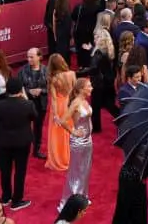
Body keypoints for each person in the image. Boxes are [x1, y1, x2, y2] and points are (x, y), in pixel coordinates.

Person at [0, 78, 37, 211]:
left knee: (5, 171)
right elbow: (35, 117)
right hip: (22, 143)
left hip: (4, 142)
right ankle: (17, 200)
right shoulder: (28, 104)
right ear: (20, 90)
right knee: (20, 171)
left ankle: (6, 197)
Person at [58, 79, 94, 211]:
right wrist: (73, 131)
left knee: (85, 170)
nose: (92, 88)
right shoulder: (75, 103)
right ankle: (72, 202)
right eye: (89, 86)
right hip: (78, 142)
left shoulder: (84, 101)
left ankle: (82, 197)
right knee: (76, 172)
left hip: (88, 140)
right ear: (81, 89)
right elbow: (62, 121)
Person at [46, 53, 76, 171]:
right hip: (70, 104)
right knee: (70, 131)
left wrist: (56, 115)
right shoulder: (72, 74)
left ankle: (59, 159)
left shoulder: (54, 79)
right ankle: (71, 158)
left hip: (59, 106)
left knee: (57, 135)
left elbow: (53, 98)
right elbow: (74, 92)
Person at [17, 47, 48, 159]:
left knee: (38, 127)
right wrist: (29, 91)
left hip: (41, 103)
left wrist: (42, 90)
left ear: (39, 57)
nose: (29, 59)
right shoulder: (22, 71)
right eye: (28, 57)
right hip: (26, 103)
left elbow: (52, 87)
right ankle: (23, 150)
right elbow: (18, 87)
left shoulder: (46, 70)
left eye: (31, 57)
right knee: (24, 127)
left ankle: (36, 150)